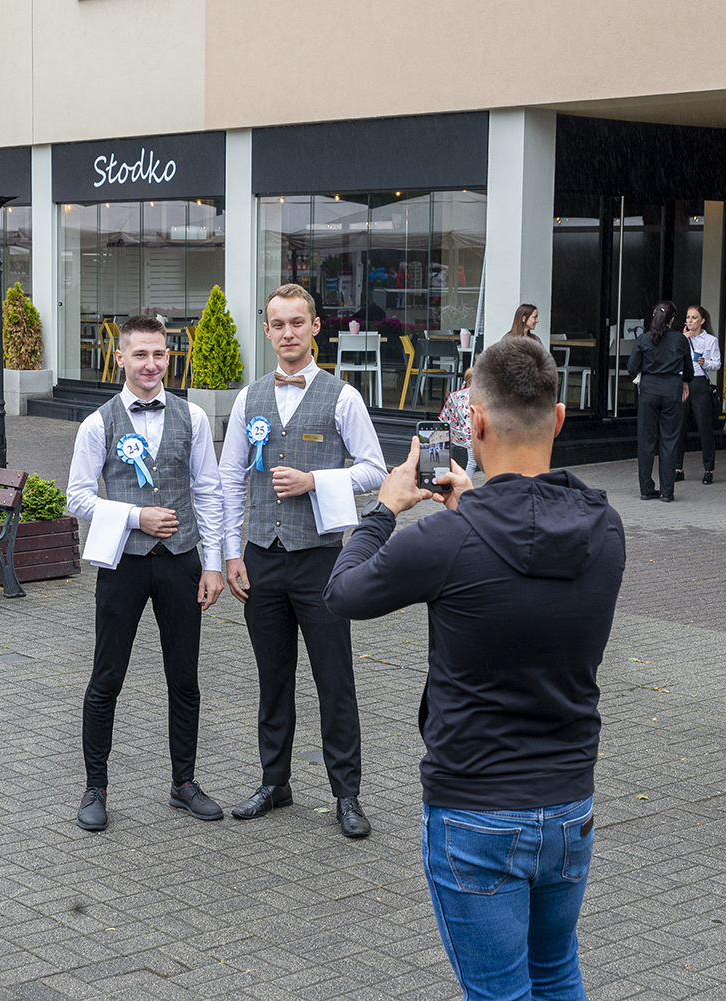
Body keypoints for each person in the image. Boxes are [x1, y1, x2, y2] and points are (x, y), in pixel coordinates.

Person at [323, 335, 626, 1001]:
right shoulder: (606, 528)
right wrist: (472, 509)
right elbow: (525, 568)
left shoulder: (449, 540)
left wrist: (386, 509)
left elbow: (343, 593)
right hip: (569, 803)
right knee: (557, 973)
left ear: (476, 423)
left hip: (476, 809)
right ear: (560, 417)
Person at [220, 283, 388, 839]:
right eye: (278, 324)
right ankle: (275, 782)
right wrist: (230, 553)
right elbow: (229, 479)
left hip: (321, 561)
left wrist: (316, 480)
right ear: (267, 331)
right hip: (261, 558)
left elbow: (375, 470)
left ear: (316, 327)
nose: (288, 333)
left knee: (334, 679)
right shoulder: (248, 399)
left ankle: (346, 794)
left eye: (298, 322)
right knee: (272, 678)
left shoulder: (343, 397)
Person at [65, 315, 227, 832]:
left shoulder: (192, 417)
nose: (151, 364)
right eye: (140, 354)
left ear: (168, 357)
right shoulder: (98, 423)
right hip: (124, 564)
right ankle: (95, 787)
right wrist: (136, 516)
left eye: (159, 354)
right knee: (106, 678)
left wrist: (214, 563)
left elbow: (209, 492)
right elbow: (77, 497)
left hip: (182, 562)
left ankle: (184, 783)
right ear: (120, 358)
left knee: (185, 678)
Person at [627, 300, 692, 502]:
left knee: (646, 440)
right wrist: (683, 381)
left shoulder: (643, 339)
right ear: (672, 319)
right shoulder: (680, 340)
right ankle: (667, 491)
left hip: (649, 391)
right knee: (669, 440)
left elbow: (631, 368)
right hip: (672, 390)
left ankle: (646, 489)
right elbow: (689, 371)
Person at [676, 305, 721, 485]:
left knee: (704, 427)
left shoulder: (710, 340)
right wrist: (683, 341)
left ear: (702, 321)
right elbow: (673, 360)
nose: (690, 321)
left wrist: (705, 362)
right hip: (682, 383)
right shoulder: (680, 339)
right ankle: (678, 468)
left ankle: (709, 470)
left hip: (699, 383)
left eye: (694, 318)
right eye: (688, 317)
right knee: (679, 427)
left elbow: (717, 364)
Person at [439, 365, 477, 475]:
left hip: (468, 433)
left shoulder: (461, 398)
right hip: (474, 433)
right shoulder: (474, 397)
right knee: (473, 463)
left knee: (472, 463)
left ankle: (469, 483)